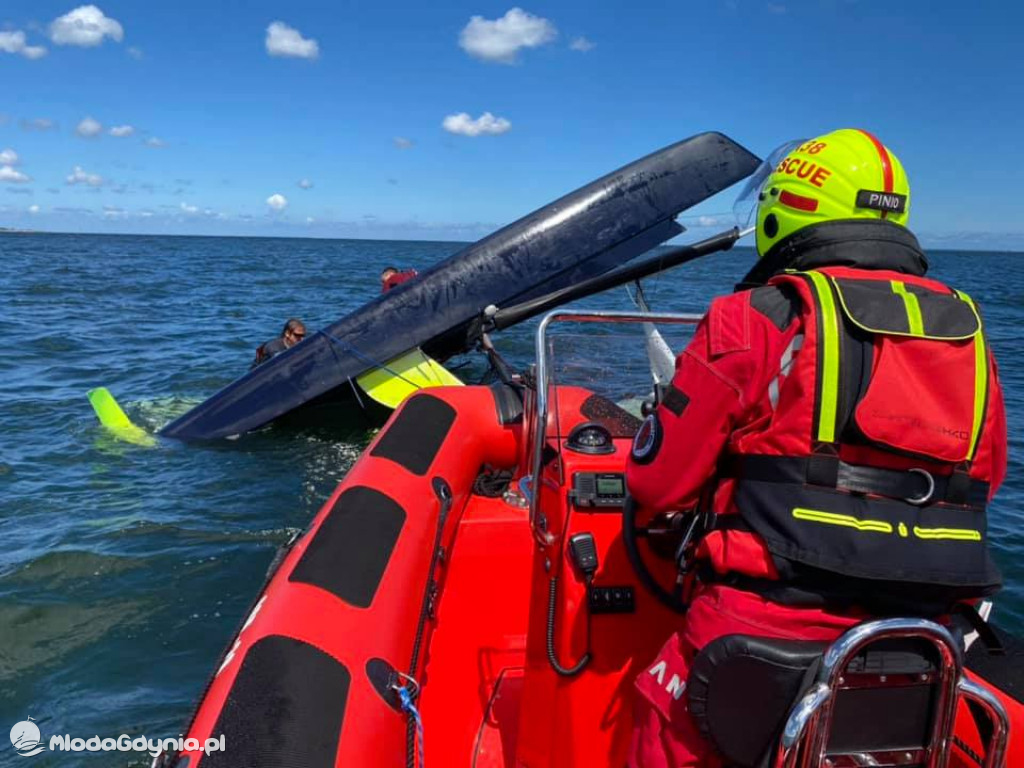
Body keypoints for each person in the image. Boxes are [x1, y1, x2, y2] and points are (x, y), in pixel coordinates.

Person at [625, 129, 1007, 767]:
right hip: (914, 649)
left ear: (787, 206)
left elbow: (657, 483)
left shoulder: (755, 316)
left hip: (755, 640)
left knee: (660, 731)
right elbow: (982, 481)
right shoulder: (970, 337)